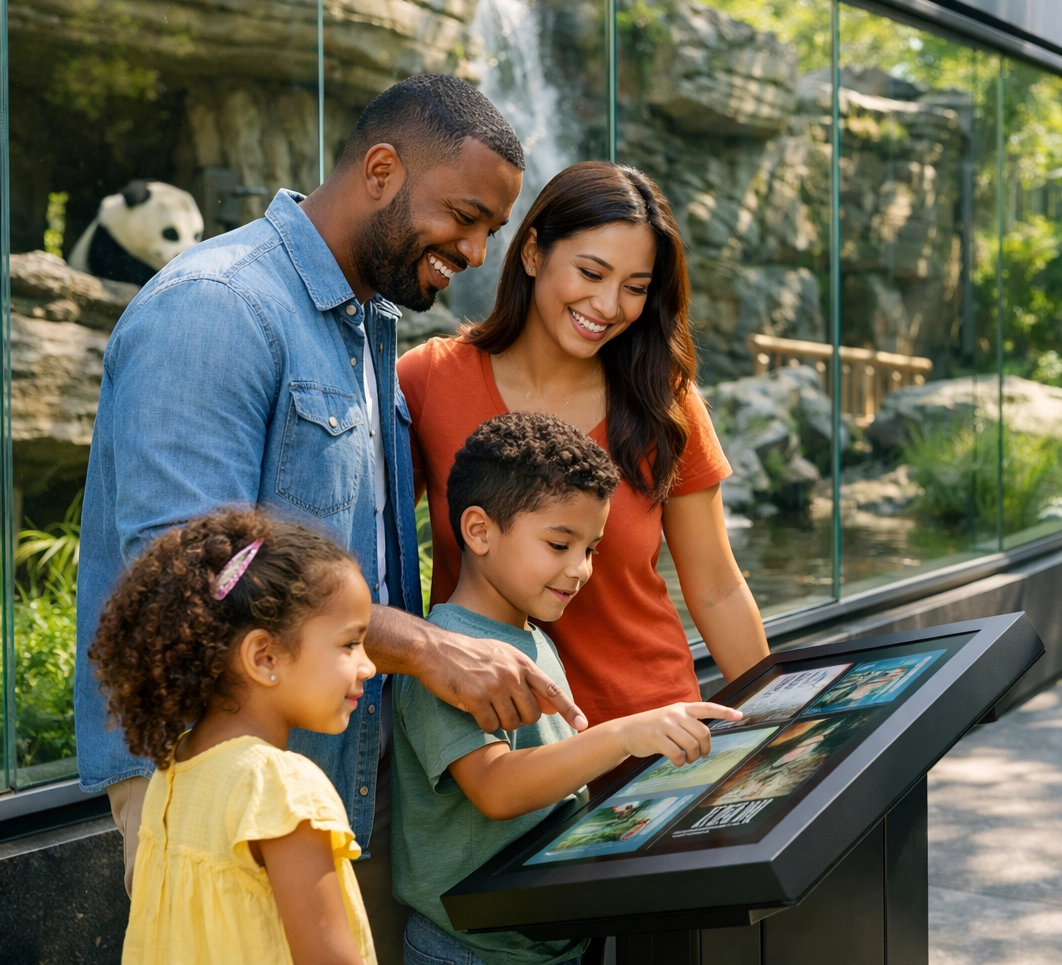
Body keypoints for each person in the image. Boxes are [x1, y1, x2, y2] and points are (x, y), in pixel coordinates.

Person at [75, 74, 585, 963]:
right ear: (381, 169)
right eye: (465, 216)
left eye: (491, 232)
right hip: (222, 781)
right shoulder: (216, 308)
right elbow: (185, 572)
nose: (474, 251)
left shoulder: (366, 329)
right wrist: (424, 646)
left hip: (339, 767)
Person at [399, 162, 769, 731]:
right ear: (531, 254)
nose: (608, 305)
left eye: (635, 288)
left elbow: (717, 588)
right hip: (498, 748)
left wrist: (781, 723)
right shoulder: (429, 380)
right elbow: (373, 553)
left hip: (653, 738)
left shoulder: (662, 401)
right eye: (591, 273)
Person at [391, 413, 739, 965]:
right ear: (479, 530)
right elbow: (497, 788)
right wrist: (623, 736)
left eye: (592, 549)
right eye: (559, 544)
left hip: (546, 944)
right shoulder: (448, 655)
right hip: (469, 951)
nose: (580, 570)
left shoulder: (535, 637)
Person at [91, 510, 379, 965]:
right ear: (264, 657)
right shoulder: (281, 788)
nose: (369, 665)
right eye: (349, 644)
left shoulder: (174, 772)